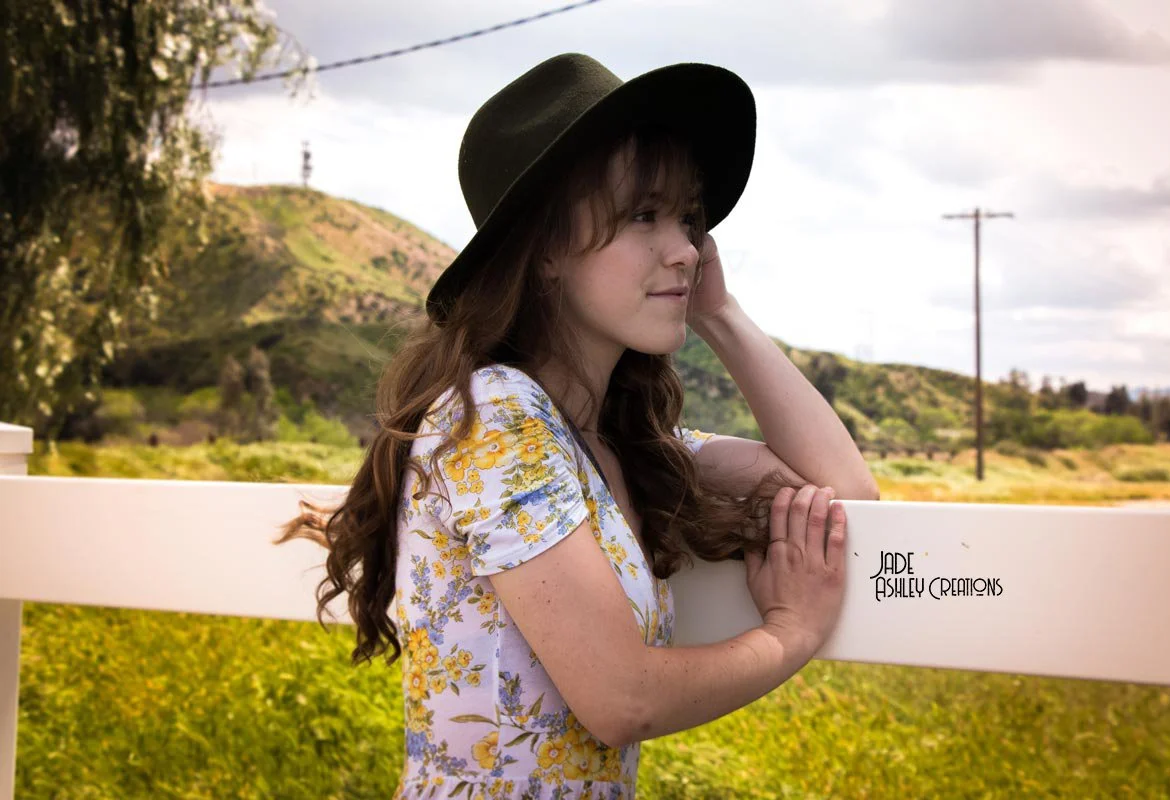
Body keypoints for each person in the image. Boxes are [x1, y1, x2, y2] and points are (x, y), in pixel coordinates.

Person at [279, 52, 878, 799]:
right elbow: (622, 697)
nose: (687, 247)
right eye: (644, 215)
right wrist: (789, 634)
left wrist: (720, 312)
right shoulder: (496, 415)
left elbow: (844, 492)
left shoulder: (608, 445)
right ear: (549, 248)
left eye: (689, 219)